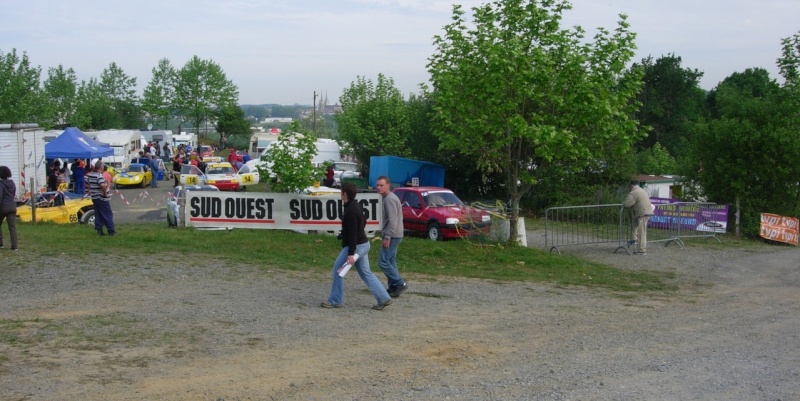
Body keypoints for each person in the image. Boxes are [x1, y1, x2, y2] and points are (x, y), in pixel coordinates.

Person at [322, 182, 393, 310]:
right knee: (366, 273)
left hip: (357, 247)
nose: (340, 193)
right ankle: (384, 298)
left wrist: (351, 253)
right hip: (363, 244)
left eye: (341, 192)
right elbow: (362, 223)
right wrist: (344, 234)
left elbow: (354, 233)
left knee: (338, 271)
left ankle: (335, 300)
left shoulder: (350, 210)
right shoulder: (356, 205)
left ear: (345, 194)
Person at [376, 176, 407, 297]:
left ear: (388, 186)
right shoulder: (389, 198)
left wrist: (387, 237)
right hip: (395, 234)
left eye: (381, 185)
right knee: (390, 261)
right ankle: (393, 287)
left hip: (393, 235)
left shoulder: (389, 199)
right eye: (377, 185)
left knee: (382, 262)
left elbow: (393, 221)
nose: (378, 187)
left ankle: (399, 283)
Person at [622, 180, 654, 255]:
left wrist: (623, 204)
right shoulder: (641, 190)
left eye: (628, 187)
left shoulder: (633, 193)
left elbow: (627, 204)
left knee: (641, 232)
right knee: (634, 225)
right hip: (645, 212)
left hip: (642, 213)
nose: (628, 188)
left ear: (631, 186)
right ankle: (634, 239)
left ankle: (642, 250)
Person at [85, 160, 116, 236]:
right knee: (108, 214)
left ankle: (99, 229)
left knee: (98, 213)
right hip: (101, 197)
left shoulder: (91, 175)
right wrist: (105, 193)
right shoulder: (99, 176)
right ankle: (111, 230)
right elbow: (102, 185)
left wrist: (92, 188)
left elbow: (86, 183)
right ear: (101, 167)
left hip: (94, 197)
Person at [0, 165, 19, 250]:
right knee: (12, 227)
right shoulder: (12, 183)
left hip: (3, 207)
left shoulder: (1, 184)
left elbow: (0, 196)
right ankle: (14, 246)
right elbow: (13, 194)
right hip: (12, 206)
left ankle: (1, 243)